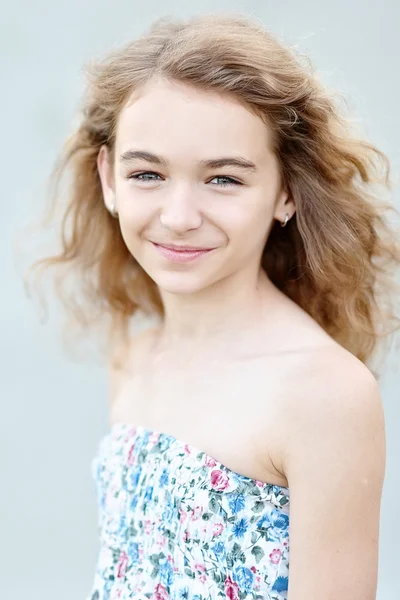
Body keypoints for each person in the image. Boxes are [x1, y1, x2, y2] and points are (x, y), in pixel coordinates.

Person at [27, 12, 399, 600]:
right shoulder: (135, 357)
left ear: (286, 192)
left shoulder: (325, 396)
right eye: (147, 173)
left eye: (223, 179)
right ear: (108, 179)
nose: (178, 216)